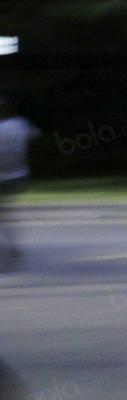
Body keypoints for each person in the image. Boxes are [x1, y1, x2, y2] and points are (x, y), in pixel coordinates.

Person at [0, 96, 40, 270]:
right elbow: (35, 135)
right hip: (19, 175)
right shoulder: (21, 124)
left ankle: (9, 249)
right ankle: (11, 247)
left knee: (4, 215)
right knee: (5, 215)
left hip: (3, 177)